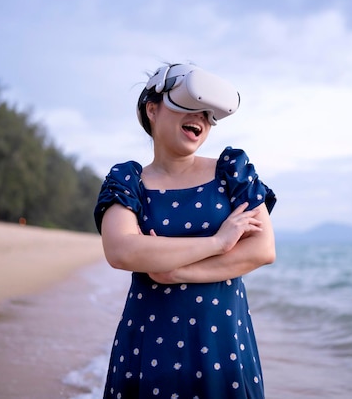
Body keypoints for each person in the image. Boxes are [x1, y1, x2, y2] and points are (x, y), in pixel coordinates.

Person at [94, 63, 276, 399]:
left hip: (222, 345)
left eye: (209, 114)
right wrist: (219, 242)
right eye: (190, 106)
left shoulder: (232, 172)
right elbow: (121, 250)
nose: (203, 118)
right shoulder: (127, 181)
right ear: (152, 109)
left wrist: (175, 270)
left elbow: (262, 249)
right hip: (148, 347)